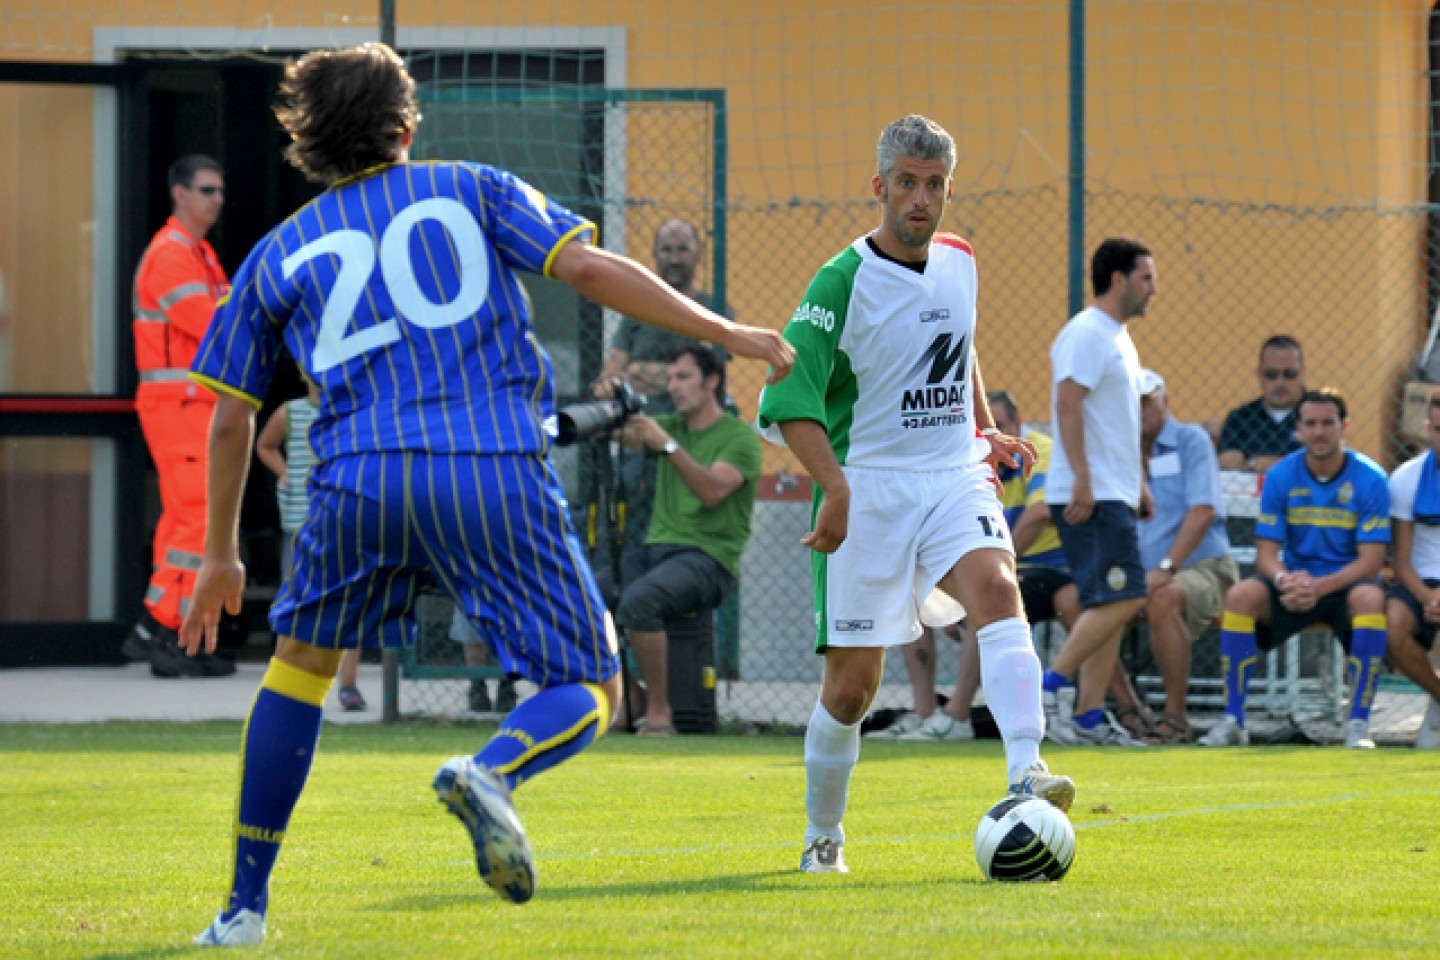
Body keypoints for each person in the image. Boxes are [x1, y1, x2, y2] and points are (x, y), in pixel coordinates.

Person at [177, 42, 793, 947]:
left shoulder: (274, 253)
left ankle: (240, 911)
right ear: (404, 128)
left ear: (309, 141)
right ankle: (492, 773)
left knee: (297, 672)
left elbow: (230, 419)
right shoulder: (471, 186)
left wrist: (220, 553)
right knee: (591, 681)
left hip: (356, 480)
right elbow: (585, 269)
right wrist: (723, 329)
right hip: (487, 466)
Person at [756, 114, 1074, 876]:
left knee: (1000, 586)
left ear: (948, 191)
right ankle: (823, 834)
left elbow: (958, 347)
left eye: (933, 185)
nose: (920, 199)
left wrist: (986, 429)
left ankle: (1027, 771)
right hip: (869, 486)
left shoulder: (961, 259)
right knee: (852, 691)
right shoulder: (840, 283)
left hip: (950, 474)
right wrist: (831, 487)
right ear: (880, 187)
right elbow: (785, 400)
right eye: (906, 183)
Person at [887, 389, 1081, 743]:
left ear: (1017, 425)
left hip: (1047, 567)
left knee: (987, 596)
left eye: (997, 425)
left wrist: (980, 573)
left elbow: (1040, 513)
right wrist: (944, 583)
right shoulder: (965, 461)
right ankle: (925, 713)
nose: (985, 435)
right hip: (1000, 567)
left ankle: (958, 715)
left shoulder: (1040, 449)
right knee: (911, 596)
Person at [1200, 388, 1389, 749]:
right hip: (1294, 584)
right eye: (1311, 424)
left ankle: (1358, 727)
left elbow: (1371, 561)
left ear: (1344, 426)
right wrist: (1287, 579)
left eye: (1328, 423)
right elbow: (1266, 555)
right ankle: (1233, 721)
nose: (1319, 432)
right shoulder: (1282, 475)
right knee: (1240, 595)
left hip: (1344, 585)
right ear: (1298, 430)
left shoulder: (1371, 478)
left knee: (1370, 599)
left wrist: (1319, 586)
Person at [598, 343, 761, 735]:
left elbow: (712, 491)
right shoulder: (666, 425)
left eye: (683, 377)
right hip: (657, 554)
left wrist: (668, 447)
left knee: (640, 602)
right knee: (586, 598)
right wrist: (608, 398)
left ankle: (658, 714)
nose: (674, 386)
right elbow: (617, 433)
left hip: (709, 559)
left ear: (712, 382)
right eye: (670, 378)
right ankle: (628, 698)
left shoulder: (739, 437)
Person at [121, 154, 236, 679]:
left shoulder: (198, 254)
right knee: (196, 518)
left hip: (193, 406)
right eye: (208, 190)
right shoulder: (172, 255)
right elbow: (212, 324)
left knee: (186, 521)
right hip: (180, 406)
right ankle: (165, 628)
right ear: (180, 194)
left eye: (219, 190)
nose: (217, 199)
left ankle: (174, 634)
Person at [1039, 237, 1156, 747]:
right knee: (1127, 596)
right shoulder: (1086, 332)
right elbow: (1068, 404)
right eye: (1147, 278)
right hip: (1092, 494)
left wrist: (1139, 483)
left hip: (1115, 491)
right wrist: (1083, 477)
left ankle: (1088, 718)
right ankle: (1050, 687)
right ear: (1119, 279)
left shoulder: (1118, 337)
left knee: (1107, 602)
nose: (1154, 288)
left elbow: (1115, 420)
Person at [590, 219, 731, 564]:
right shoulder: (637, 310)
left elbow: (712, 370)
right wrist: (628, 377)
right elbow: (606, 382)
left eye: (682, 249)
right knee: (632, 544)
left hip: (693, 446)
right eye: (666, 250)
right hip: (640, 446)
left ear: (699, 255)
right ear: (654, 256)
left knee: (684, 543)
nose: (674, 258)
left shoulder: (714, 310)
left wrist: (637, 372)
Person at [1131, 369, 1238, 743]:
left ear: (1165, 402)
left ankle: (1175, 717)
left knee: (1165, 595)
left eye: (1147, 401)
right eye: (1133, 402)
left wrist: (1165, 568)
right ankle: (1126, 712)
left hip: (1203, 567)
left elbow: (1203, 511)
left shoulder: (1191, 440)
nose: (1140, 409)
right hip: (1138, 574)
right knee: (1081, 600)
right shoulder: (1119, 450)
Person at [254, 374, 365, 711]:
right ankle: (284, 684)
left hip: (342, 520)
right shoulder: (291, 411)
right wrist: (283, 471)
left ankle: (348, 684)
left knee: (350, 603)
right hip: (300, 524)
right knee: (295, 601)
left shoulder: (351, 409)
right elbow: (264, 444)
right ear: (301, 373)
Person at [1381, 389, 1440, 749]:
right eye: (1438, 428)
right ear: (1428, 428)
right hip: (1420, 582)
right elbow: (1400, 562)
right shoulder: (1405, 479)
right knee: (1391, 629)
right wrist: (1429, 597)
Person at [1217, 335, 1306, 473]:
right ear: (1259, 374)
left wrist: (1269, 464)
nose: (1280, 382)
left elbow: (1329, 462)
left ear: (1302, 373)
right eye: (1271, 374)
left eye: (1289, 374)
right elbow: (1227, 460)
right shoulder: (1241, 418)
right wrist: (1253, 463)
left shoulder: (1317, 415)